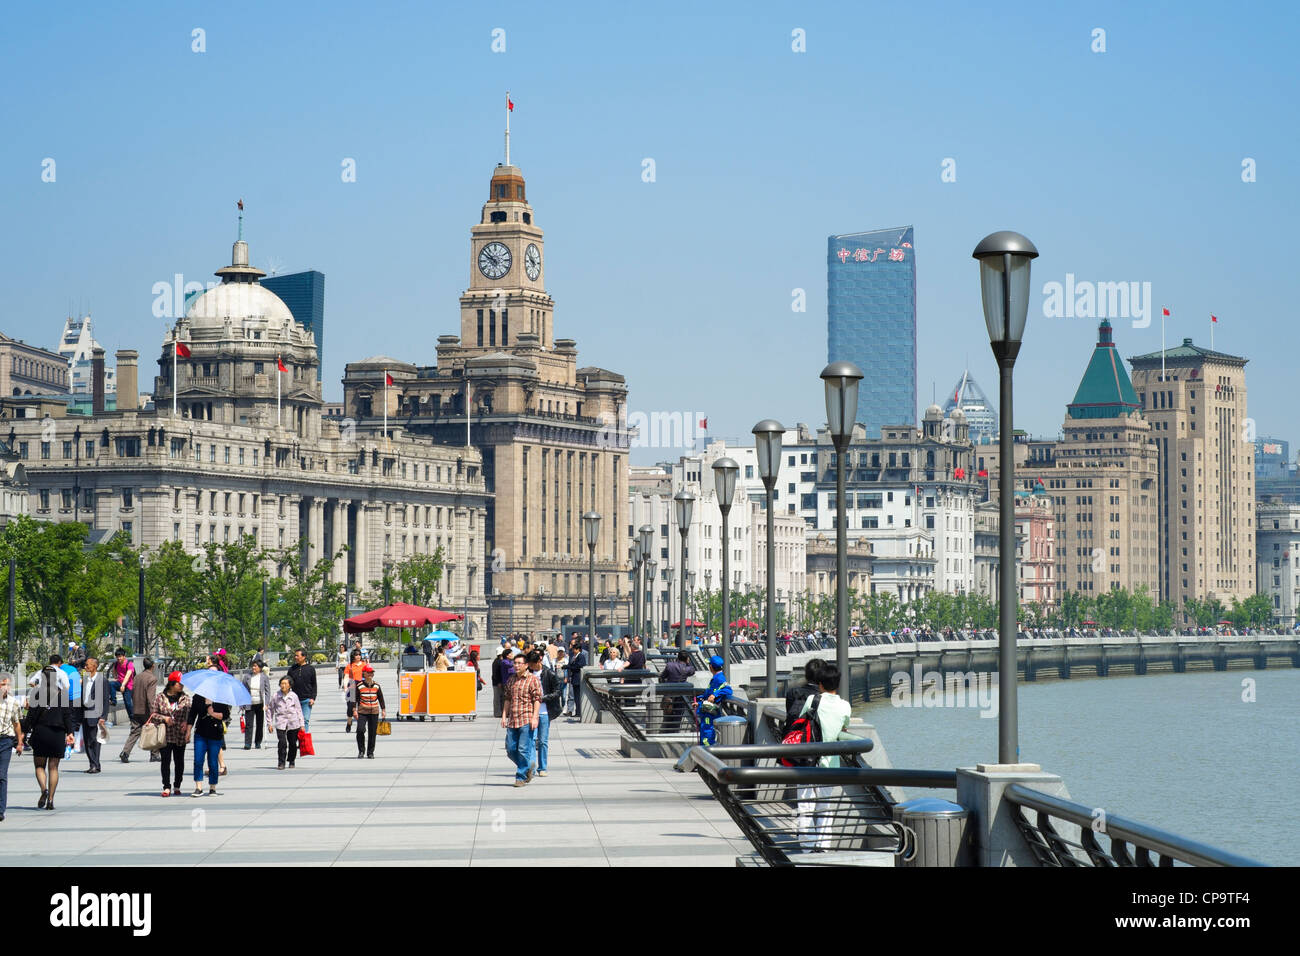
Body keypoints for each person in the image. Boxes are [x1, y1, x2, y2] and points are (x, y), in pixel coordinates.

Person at [795, 661, 853, 850]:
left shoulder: (813, 700)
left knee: (805, 807)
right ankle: (824, 847)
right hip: (830, 764)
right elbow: (845, 726)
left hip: (807, 762)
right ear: (838, 684)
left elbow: (801, 720)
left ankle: (807, 848)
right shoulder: (845, 706)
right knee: (825, 809)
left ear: (820, 684)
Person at [28, 663, 76, 810]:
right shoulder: (62, 694)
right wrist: (70, 733)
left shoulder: (37, 693)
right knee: (53, 768)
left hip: (41, 732)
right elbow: (68, 716)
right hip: (57, 733)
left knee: (39, 766)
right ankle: (50, 800)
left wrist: (23, 731)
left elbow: (31, 716)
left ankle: (44, 789)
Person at [501, 652, 540, 787]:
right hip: (513, 720)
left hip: (526, 719)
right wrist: (504, 716)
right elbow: (507, 699)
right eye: (515, 663)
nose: (516, 666)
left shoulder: (532, 679)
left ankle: (520, 777)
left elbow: (537, 700)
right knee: (511, 749)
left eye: (519, 663)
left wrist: (535, 717)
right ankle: (528, 766)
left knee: (523, 749)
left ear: (526, 665)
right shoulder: (511, 680)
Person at [149, 674, 191, 797]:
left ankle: (177, 785)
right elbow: (153, 714)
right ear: (172, 684)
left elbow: (189, 713)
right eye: (179, 683)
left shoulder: (185, 698)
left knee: (179, 762)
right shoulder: (160, 697)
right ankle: (166, 786)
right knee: (165, 761)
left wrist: (186, 723)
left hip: (179, 735)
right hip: (165, 735)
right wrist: (165, 718)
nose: (181, 686)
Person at [186, 688, 229, 797]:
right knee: (198, 760)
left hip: (215, 734)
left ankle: (212, 787)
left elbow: (226, 715)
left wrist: (213, 713)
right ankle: (198, 787)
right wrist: (188, 731)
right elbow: (192, 715)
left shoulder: (221, 697)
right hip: (200, 732)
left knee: (213, 761)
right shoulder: (198, 697)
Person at [527, 650, 560, 777]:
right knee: (531, 740)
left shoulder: (549, 673)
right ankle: (532, 767)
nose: (530, 667)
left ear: (539, 661)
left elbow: (557, 691)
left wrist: (543, 698)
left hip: (545, 712)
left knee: (542, 741)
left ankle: (543, 767)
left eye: (532, 664)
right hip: (530, 712)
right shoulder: (527, 674)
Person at [121, 657, 158, 763]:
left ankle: (125, 752)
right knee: (153, 730)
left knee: (134, 732)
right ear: (153, 666)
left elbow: (133, 692)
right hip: (146, 710)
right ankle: (154, 754)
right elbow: (150, 697)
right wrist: (153, 711)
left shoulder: (137, 677)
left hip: (136, 708)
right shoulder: (152, 678)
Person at [0, 672, 25, 822]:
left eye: (8, 685)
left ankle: (1, 809)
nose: (6, 688)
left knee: (1, 775)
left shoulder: (13, 702)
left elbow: (17, 724)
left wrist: (19, 743)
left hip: (5, 741)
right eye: (3, 684)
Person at [694, 655, 733, 747]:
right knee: (705, 734)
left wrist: (714, 695)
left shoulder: (719, 678)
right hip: (706, 712)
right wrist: (699, 703)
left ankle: (708, 755)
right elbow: (707, 696)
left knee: (707, 736)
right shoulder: (716, 678)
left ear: (711, 667)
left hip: (710, 714)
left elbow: (728, 690)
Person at [79, 656, 108, 774]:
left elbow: (105, 699)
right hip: (85, 713)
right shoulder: (85, 679)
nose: (85, 667)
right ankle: (92, 764)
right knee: (87, 741)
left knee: (94, 741)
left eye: (87, 665)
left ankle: (95, 764)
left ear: (94, 666)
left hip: (95, 714)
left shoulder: (102, 680)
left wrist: (103, 717)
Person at [268, 677, 304, 770]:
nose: (283, 685)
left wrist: (302, 724)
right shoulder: (276, 696)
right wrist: (269, 723)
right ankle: (281, 762)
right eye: (281, 683)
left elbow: (299, 710)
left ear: (290, 685)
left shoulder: (294, 696)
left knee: (292, 743)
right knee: (282, 743)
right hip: (280, 722)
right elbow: (270, 709)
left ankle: (292, 760)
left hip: (293, 722)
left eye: (285, 684)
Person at [354, 665, 387, 759]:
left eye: (372, 672)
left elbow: (381, 698)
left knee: (372, 733)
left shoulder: (377, 685)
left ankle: (370, 752)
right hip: (362, 711)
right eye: (368, 672)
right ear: (364, 673)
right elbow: (355, 699)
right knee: (360, 730)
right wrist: (354, 710)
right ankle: (361, 751)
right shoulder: (359, 686)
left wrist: (383, 710)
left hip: (374, 711)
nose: (370, 674)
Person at [785, 658, 825, 732]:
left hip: (794, 738)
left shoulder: (792, 693)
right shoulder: (825, 697)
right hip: (817, 740)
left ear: (806, 675)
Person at [660, 650, 695, 733]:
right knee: (678, 716)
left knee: (667, 716)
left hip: (669, 694)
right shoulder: (687, 669)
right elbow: (693, 671)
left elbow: (662, 676)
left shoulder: (669, 665)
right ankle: (674, 733)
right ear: (687, 659)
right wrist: (687, 662)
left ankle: (666, 733)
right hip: (681, 696)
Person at [286, 648, 317, 732]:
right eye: (295, 655)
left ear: (304, 657)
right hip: (294, 700)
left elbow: (314, 685)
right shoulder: (292, 669)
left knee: (305, 720)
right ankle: (295, 740)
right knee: (294, 721)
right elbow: (287, 683)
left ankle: (303, 742)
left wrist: (313, 698)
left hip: (306, 700)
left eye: (297, 655)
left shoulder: (310, 669)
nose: (295, 657)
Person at [241, 660, 270, 749]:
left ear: (260, 668)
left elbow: (267, 691)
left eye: (256, 666)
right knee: (249, 724)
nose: (254, 668)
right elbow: (243, 690)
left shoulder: (264, 677)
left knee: (259, 724)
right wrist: (242, 704)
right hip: (250, 703)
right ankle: (247, 743)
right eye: (253, 666)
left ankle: (258, 742)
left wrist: (267, 704)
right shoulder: (247, 677)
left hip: (260, 703)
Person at [109, 648, 136, 728]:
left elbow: (128, 675)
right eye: (117, 657)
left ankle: (132, 719)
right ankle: (113, 700)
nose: (118, 658)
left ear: (124, 656)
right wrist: (115, 675)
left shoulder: (129, 664)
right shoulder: (116, 664)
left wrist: (123, 685)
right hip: (120, 683)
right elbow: (114, 673)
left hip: (128, 685)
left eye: (120, 656)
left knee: (128, 703)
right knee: (111, 684)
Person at [342, 649, 365, 733]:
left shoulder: (364, 665)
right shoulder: (349, 666)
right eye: (356, 655)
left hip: (361, 687)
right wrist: (345, 687)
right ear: (353, 656)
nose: (358, 656)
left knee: (361, 708)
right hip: (351, 687)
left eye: (359, 655)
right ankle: (349, 722)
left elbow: (368, 676)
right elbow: (346, 677)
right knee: (350, 707)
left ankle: (360, 726)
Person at [565, 640, 587, 719]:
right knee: (576, 696)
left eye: (574, 649)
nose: (573, 650)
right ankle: (577, 711)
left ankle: (579, 712)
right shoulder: (574, 656)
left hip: (578, 678)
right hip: (574, 678)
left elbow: (579, 666)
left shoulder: (580, 656)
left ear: (578, 649)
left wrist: (569, 667)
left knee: (578, 696)